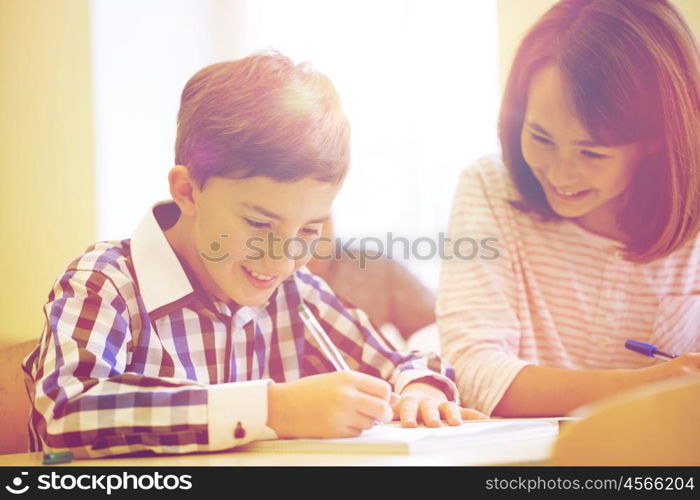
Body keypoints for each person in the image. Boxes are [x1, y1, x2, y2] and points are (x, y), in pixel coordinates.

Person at [23, 52, 484, 458]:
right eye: (259, 225)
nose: (284, 259)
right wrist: (272, 408)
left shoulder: (293, 294)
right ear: (188, 191)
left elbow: (403, 362)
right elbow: (65, 414)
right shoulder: (105, 283)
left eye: (309, 229)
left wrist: (420, 387)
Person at [437, 0, 700, 417]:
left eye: (591, 153)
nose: (559, 175)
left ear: (656, 141)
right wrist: (650, 386)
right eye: (540, 138)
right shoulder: (489, 187)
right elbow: (471, 369)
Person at [306, 218, 436, 342]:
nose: (313, 243)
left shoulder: (376, 268)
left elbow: (437, 324)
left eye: (320, 224)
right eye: (304, 230)